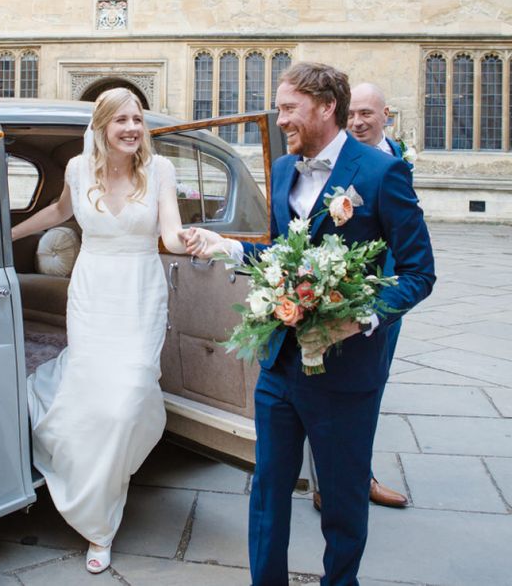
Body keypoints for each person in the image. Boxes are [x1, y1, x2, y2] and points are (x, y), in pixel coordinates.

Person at [185, 62, 435, 586]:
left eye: (288, 108)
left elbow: (419, 273)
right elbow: (283, 253)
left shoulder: (381, 173)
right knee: (268, 494)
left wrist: (360, 319)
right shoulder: (281, 173)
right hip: (280, 364)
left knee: (343, 503)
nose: (280, 120)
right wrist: (228, 247)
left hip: (347, 373)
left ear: (326, 107)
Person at [12, 87, 191, 574]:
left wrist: (194, 241)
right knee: (94, 395)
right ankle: (101, 526)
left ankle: (98, 495)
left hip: (139, 293)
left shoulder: (160, 171)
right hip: (91, 292)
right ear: (102, 127)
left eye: (138, 119)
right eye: (122, 121)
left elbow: (170, 231)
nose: (133, 128)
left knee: (127, 398)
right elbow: (60, 211)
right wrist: (5, 236)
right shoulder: (76, 168)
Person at [309, 82, 408, 511]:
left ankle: (359, 474)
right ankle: (322, 484)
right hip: (335, 296)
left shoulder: (397, 158)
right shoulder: (333, 161)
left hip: (386, 297)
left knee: (371, 386)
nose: (357, 122)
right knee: (319, 385)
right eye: (351, 115)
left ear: (387, 114)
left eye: (366, 114)